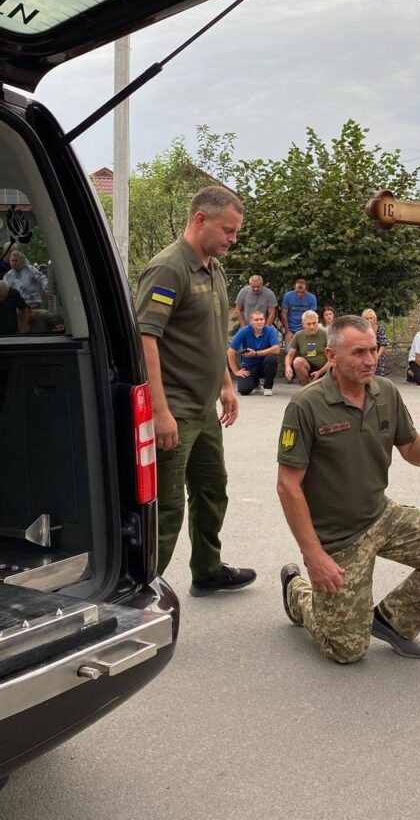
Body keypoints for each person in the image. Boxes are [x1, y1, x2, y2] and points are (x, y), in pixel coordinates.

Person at [276, 315, 420, 664]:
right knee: (346, 650)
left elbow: (414, 454)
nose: (370, 360)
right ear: (332, 356)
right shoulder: (306, 406)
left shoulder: (386, 392)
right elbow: (287, 487)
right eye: (358, 353)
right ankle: (298, 592)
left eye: (371, 351)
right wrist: (314, 556)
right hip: (338, 537)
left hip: (381, 516)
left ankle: (392, 622)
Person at [135, 186, 256, 596]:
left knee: (211, 491)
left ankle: (206, 570)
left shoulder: (213, 268)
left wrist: (226, 384)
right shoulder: (169, 268)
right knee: (166, 509)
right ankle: (141, 594)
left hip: (204, 409)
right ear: (200, 219)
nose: (233, 239)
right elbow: (146, 338)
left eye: (236, 232)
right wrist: (159, 412)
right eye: (228, 230)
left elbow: (216, 332)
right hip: (175, 411)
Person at [227, 310, 281, 396]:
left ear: (264, 320)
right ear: (251, 322)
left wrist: (256, 353)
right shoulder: (244, 331)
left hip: (264, 365)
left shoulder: (270, 331)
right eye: (256, 320)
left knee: (272, 358)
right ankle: (255, 383)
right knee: (243, 390)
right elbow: (230, 351)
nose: (259, 322)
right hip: (249, 366)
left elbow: (277, 349)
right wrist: (236, 371)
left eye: (261, 319)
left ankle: (268, 387)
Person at [284, 310, 329, 386]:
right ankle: (306, 387)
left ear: (318, 322)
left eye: (314, 323)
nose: (312, 326)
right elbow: (290, 355)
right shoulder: (298, 335)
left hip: (325, 368)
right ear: (303, 324)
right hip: (308, 367)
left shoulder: (326, 334)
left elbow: (333, 358)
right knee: (297, 361)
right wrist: (288, 367)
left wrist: (320, 372)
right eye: (309, 324)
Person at [281, 278, 317, 345]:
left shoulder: (312, 298)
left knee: (309, 351)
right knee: (289, 351)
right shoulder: (288, 296)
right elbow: (284, 314)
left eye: (302, 292)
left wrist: (308, 330)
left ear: (306, 290)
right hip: (291, 329)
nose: (300, 294)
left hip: (305, 329)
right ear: (294, 288)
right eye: (297, 292)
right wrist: (287, 331)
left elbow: (312, 316)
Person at [361, 308, 388, 376]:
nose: (369, 320)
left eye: (371, 318)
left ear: (374, 319)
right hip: (365, 353)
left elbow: (383, 344)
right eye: (367, 318)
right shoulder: (361, 329)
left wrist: (376, 357)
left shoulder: (380, 328)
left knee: (379, 375)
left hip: (379, 354)